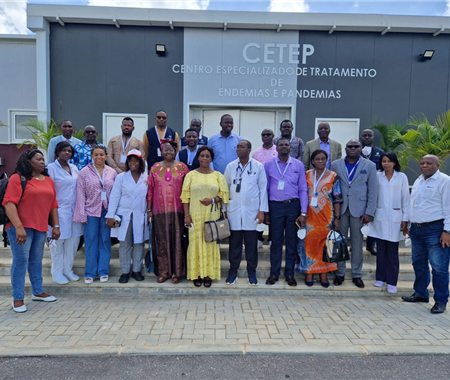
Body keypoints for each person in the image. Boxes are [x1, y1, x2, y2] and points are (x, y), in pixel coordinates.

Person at [3, 150, 60, 313]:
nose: (43, 162)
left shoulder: (48, 180)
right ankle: (18, 298)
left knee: (36, 261)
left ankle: (38, 291)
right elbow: (9, 204)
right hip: (20, 228)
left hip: (40, 227)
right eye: (38, 159)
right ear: (28, 162)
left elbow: (53, 205)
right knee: (21, 262)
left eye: (43, 159)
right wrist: (19, 227)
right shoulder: (18, 179)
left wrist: (55, 226)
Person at [402, 155, 450, 314]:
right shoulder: (418, 180)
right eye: (422, 163)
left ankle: (441, 301)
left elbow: (448, 208)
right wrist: (408, 223)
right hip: (416, 229)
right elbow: (412, 203)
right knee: (418, 263)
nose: (424, 166)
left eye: (429, 163)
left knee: (439, 267)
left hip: (435, 230)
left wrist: (447, 231)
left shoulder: (445, 181)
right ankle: (421, 293)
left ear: (437, 165)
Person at [331, 139, 378, 288]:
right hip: (341, 209)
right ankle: (340, 273)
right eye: (350, 146)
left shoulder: (370, 166)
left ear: (360, 149)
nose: (352, 148)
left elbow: (373, 190)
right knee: (340, 242)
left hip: (360, 211)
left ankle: (357, 274)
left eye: (356, 146)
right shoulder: (335, 164)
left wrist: (369, 211)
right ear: (345, 149)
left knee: (357, 244)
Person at [181, 146, 229, 287]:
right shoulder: (190, 175)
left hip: (212, 215)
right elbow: (185, 197)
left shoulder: (218, 176)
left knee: (210, 243)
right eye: (202, 155)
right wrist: (186, 216)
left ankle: (208, 274)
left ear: (211, 158)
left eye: (207, 156)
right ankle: (196, 274)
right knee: (195, 243)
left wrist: (212, 200)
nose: (204, 158)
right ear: (198, 157)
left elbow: (224, 196)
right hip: (195, 215)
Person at [264, 138, 308, 287]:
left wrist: (303, 212)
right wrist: (266, 211)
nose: (284, 147)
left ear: (290, 148)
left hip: (293, 206)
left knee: (291, 241)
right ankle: (274, 273)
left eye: (286, 145)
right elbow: (266, 189)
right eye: (281, 144)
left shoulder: (298, 165)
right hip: (275, 206)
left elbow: (303, 188)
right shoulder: (269, 164)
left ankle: (289, 273)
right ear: (276, 148)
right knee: (275, 241)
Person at [224, 140, 268, 286]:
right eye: (237, 147)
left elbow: (263, 190)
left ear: (249, 149)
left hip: (252, 213)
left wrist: (262, 211)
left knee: (251, 247)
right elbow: (225, 189)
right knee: (234, 246)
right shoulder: (230, 167)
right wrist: (224, 210)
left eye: (242, 147)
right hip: (234, 212)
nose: (239, 149)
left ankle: (252, 273)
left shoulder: (258, 166)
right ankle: (232, 273)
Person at [298, 149, 342, 287]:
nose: (320, 161)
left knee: (325, 244)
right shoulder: (306, 174)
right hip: (309, 216)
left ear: (327, 160)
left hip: (327, 217)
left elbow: (337, 198)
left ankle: (324, 275)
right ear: (312, 161)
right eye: (317, 159)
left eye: (323, 159)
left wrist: (337, 218)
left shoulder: (333, 176)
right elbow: (301, 193)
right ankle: (309, 273)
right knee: (308, 244)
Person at [73, 145, 117, 284]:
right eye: (96, 155)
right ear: (92, 156)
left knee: (105, 241)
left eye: (102, 155)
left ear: (106, 156)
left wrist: (114, 214)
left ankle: (103, 271)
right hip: (90, 211)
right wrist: (81, 214)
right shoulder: (84, 172)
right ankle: (90, 273)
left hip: (107, 211)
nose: (99, 157)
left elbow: (115, 194)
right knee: (91, 242)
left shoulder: (112, 172)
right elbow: (80, 194)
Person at [147, 141, 189, 284]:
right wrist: (149, 209)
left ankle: (177, 272)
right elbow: (150, 190)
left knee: (178, 241)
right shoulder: (154, 168)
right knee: (161, 242)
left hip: (178, 211)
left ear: (176, 150)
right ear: (161, 151)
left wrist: (187, 212)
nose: (168, 152)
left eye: (171, 149)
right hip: (159, 211)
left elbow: (187, 190)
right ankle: (164, 272)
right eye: (166, 150)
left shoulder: (183, 168)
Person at [368, 152, 409, 294]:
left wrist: (405, 219)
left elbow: (406, 200)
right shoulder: (377, 176)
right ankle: (380, 278)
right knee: (381, 251)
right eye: (384, 161)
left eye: (389, 161)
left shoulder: (402, 177)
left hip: (395, 218)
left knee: (392, 252)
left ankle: (392, 281)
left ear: (395, 163)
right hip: (379, 217)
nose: (386, 164)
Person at [106, 149, 148, 283]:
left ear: (141, 162)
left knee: (139, 243)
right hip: (124, 215)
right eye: (130, 160)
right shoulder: (121, 177)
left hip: (140, 215)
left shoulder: (146, 178)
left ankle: (136, 270)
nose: (133, 163)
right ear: (127, 162)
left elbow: (149, 197)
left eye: (136, 160)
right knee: (124, 244)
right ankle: (125, 271)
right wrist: (110, 215)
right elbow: (114, 196)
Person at [47, 141, 84, 284]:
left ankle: (68, 270)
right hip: (58, 210)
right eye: (63, 150)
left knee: (73, 242)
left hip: (74, 210)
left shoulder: (74, 168)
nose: (67, 153)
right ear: (57, 152)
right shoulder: (50, 168)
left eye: (69, 151)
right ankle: (57, 272)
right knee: (58, 243)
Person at [360, 128, 385, 256]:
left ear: (373, 138)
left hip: (375, 188)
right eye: (364, 135)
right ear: (361, 137)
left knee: (372, 217)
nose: (367, 138)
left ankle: (371, 244)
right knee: (359, 216)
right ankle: (357, 244)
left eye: (369, 135)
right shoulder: (356, 152)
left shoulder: (380, 153)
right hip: (360, 189)